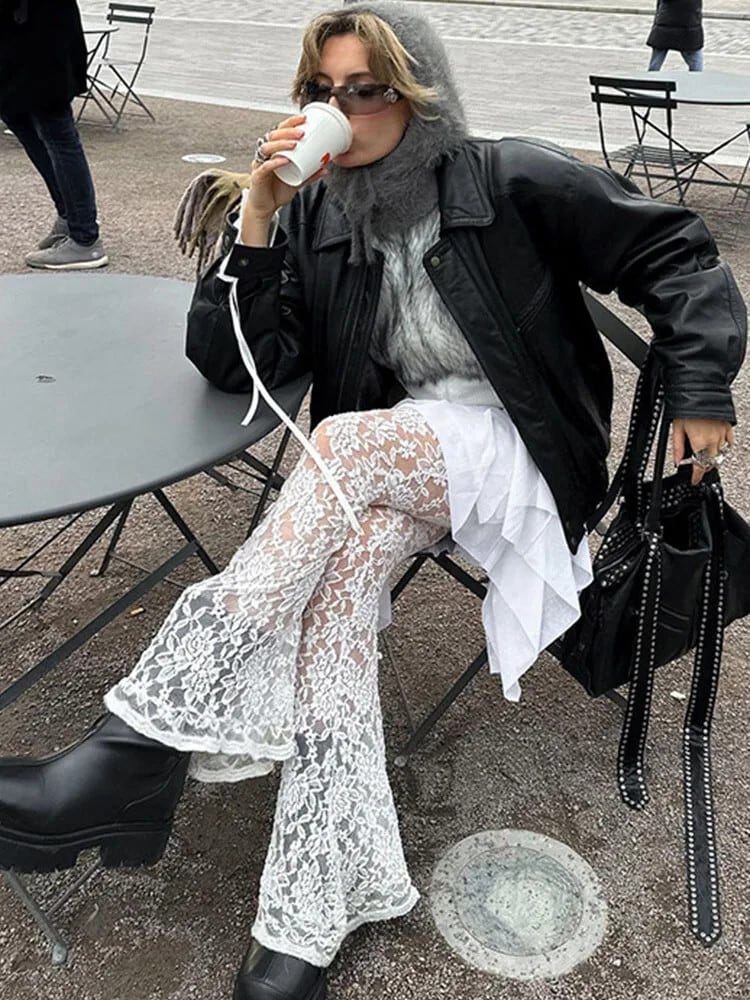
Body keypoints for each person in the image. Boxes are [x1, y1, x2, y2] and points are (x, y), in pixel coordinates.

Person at [0, 3, 745, 998]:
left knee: (345, 440)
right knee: (340, 589)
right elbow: (234, 364)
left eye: (366, 90)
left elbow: (678, 254)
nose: (341, 109)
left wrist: (700, 387)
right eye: (322, 91)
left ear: (415, 95)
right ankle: (317, 898)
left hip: (521, 452)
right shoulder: (318, 216)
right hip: (402, 465)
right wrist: (259, 217)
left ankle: (138, 748)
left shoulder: (507, 178)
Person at [0, 0, 108, 269]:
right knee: (17, 115)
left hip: (41, 38)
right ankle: (70, 217)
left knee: (56, 130)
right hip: (19, 38)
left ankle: (85, 238)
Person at [647, 0, 704, 72]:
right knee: (696, 63)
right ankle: (696, 79)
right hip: (688, 26)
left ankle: (651, 78)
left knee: (655, 64)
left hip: (668, 25)